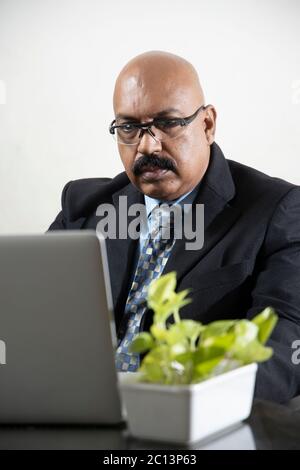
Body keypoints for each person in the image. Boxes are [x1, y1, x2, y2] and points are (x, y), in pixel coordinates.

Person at [48, 50, 300, 403]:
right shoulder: (86, 207)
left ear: (207, 124)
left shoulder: (278, 211)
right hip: (77, 409)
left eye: (168, 124)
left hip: (194, 421)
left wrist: (197, 403)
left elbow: (284, 342)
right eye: (129, 128)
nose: (147, 145)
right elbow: (29, 317)